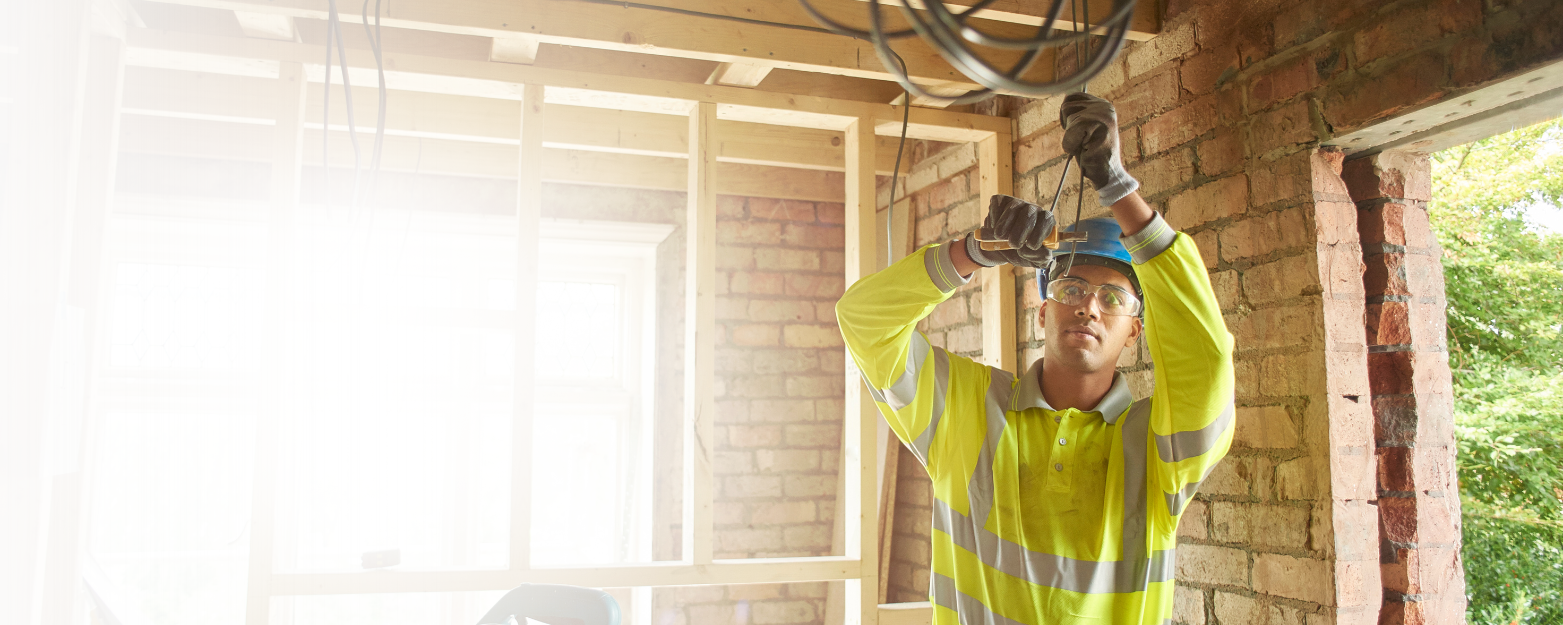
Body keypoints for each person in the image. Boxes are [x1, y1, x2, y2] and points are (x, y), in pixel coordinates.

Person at [836, 93, 1234, 624]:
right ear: (1042, 309)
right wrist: (970, 253)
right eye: (1070, 288)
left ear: (1137, 330)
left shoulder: (1157, 446)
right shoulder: (966, 408)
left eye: (1113, 299)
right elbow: (864, 319)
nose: (1089, 308)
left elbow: (1205, 362)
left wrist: (1118, 186)